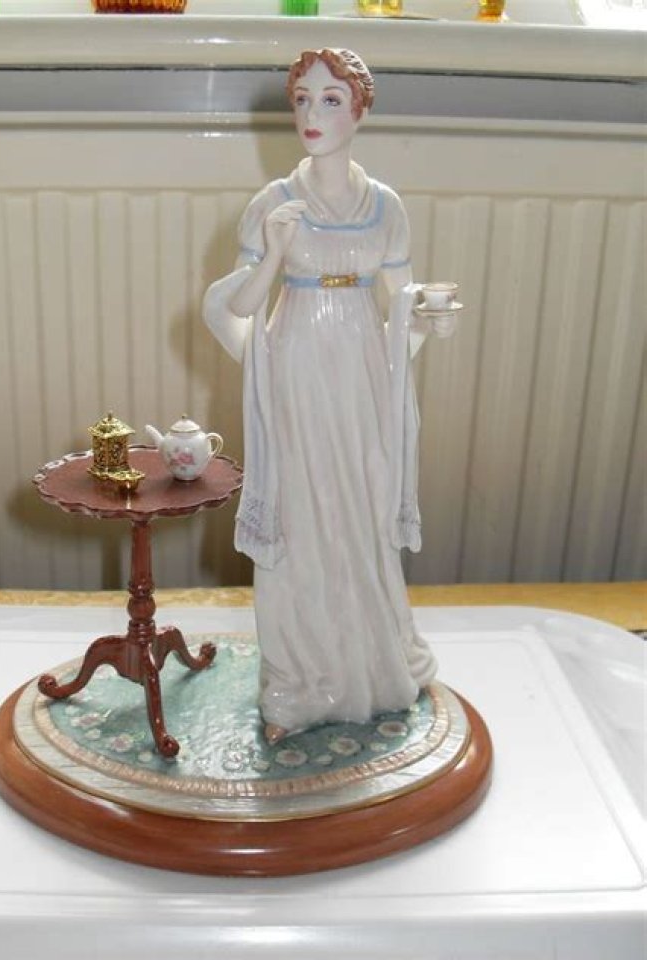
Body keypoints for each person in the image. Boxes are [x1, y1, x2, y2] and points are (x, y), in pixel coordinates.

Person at [203, 48, 457, 744]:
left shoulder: (386, 207)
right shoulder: (273, 203)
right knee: (302, 512)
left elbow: (399, 303)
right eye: (302, 100)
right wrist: (275, 254)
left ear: (360, 110)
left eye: (331, 100)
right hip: (296, 366)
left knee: (363, 505)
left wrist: (426, 321)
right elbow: (237, 306)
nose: (312, 115)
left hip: (360, 369)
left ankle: (377, 667)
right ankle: (297, 682)